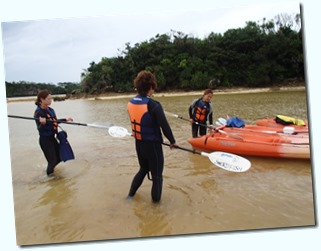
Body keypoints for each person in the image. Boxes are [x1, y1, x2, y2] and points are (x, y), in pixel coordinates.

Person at [127, 70, 177, 203]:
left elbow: (136, 122)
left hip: (139, 143)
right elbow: (165, 127)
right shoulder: (154, 105)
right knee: (157, 176)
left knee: (143, 169)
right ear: (151, 87)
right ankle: (156, 210)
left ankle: (129, 196)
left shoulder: (131, 102)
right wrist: (172, 141)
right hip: (153, 146)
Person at [34, 90, 73, 177]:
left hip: (52, 138)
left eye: (51, 98)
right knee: (52, 161)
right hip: (45, 140)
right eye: (48, 99)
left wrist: (65, 119)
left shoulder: (51, 110)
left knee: (59, 157)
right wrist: (42, 124)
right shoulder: (38, 113)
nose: (50, 100)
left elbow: (54, 122)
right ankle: (50, 177)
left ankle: (50, 173)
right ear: (42, 99)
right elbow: (39, 128)